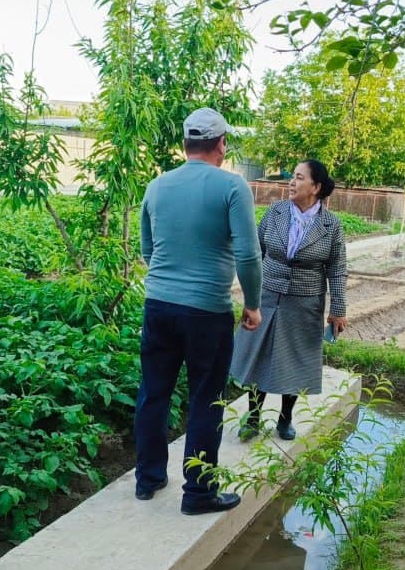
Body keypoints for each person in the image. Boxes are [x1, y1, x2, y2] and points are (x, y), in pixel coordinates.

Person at [134, 107, 263, 515]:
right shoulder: (232, 187)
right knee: (206, 398)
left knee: (154, 393)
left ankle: (148, 479)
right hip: (207, 311)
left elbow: (148, 250)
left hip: (158, 306)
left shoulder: (157, 186)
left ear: (185, 144)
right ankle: (199, 493)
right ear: (221, 144)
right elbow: (248, 255)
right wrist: (253, 304)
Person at [230, 159, 348, 441]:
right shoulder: (276, 211)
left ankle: (285, 419)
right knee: (260, 354)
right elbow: (257, 251)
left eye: (299, 177)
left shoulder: (331, 225)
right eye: (293, 177)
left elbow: (337, 268)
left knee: (294, 359)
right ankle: (254, 416)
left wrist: (338, 309)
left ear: (316, 187)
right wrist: (250, 295)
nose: (292, 182)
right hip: (268, 295)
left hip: (305, 302)